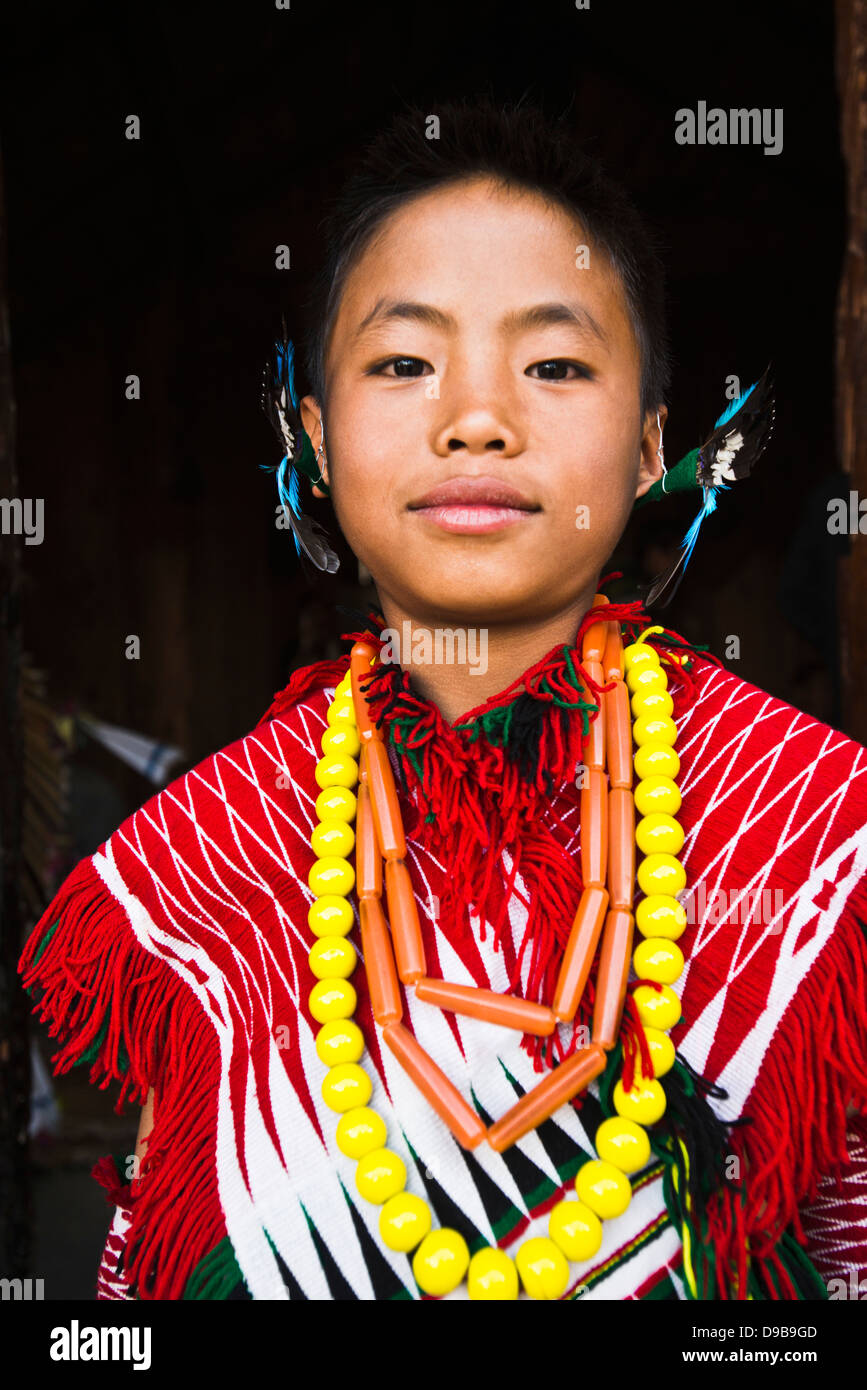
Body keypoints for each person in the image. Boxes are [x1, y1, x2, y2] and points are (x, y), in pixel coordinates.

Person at [18, 98, 867, 1301]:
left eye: (557, 364)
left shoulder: (813, 827)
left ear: (647, 446)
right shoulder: (216, 854)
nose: (477, 421)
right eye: (405, 363)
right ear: (316, 438)